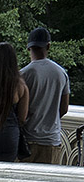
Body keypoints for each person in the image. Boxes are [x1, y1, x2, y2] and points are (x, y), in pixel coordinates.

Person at [21, 27, 71, 164]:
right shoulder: (61, 73)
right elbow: (64, 108)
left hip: (27, 140)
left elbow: (19, 110)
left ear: (28, 48)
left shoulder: (23, 74)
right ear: (48, 46)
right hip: (51, 141)